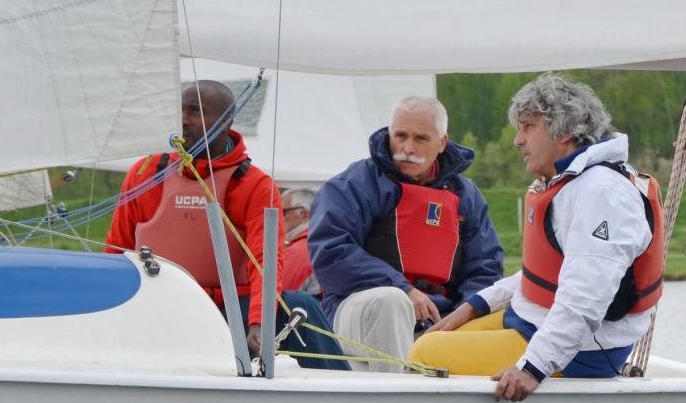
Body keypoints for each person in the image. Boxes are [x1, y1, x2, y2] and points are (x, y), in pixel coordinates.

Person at [409, 74, 665, 402]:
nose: (518, 140)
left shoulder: (602, 194)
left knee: (425, 354)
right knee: (436, 335)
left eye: (528, 127)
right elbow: (550, 272)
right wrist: (476, 305)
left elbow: (586, 296)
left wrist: (532, 368)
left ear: (565, 131)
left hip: (580, 351)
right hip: (532, 321)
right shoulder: (571, 182)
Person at [105, 80, 347, 369]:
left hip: (227, 310)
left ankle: (343, 389)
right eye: (179, 110)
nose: (183, 119)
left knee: (300, 305)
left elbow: (265, 263)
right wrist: (107, 309)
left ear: (226, 120)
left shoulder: (255, 185)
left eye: (195, 111)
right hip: (157, 304)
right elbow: (115, 251)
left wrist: (260, 322)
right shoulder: (145, 173)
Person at [308, 96, 503, 372]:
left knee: (498, 313)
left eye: (421, 138)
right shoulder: (354, 184)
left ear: (442, 142)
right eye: (400, 136)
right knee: (392, 302)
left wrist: (463, 313)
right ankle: (401, 391)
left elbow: (485, 268)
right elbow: (330, 253)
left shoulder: (466, 196)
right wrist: (403, 288)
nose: (408, 148)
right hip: (357, 309)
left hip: (439, 316)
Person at [281, 188, 319, 295]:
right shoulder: (319, 242)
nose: (280, 217)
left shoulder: (301, 250)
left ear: (304, 214)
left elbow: (278, 294)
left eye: (284, 212)